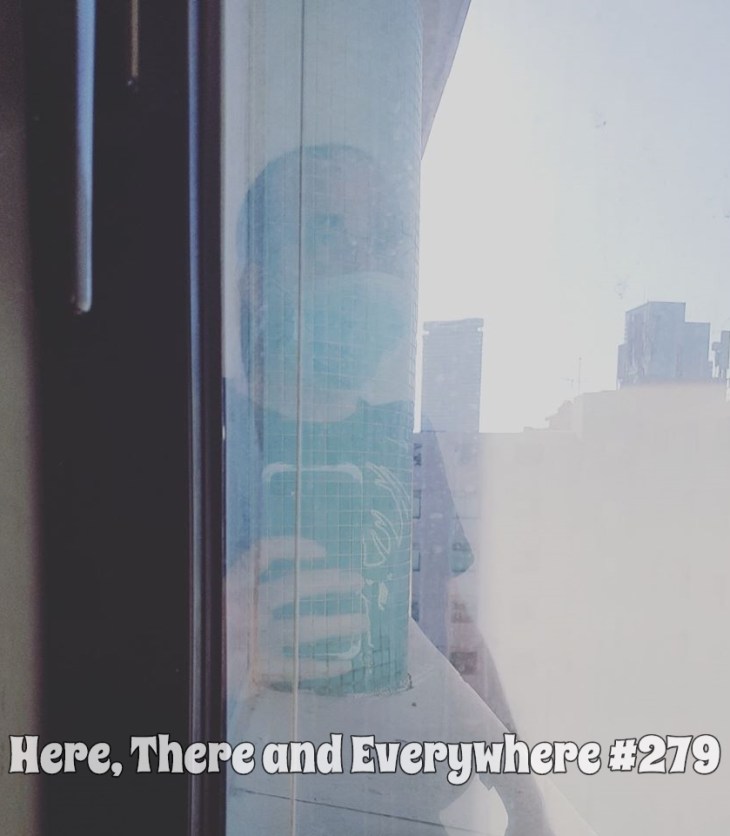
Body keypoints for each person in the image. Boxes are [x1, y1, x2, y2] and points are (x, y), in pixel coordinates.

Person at [225, 144, 556, 836]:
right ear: (256, 285)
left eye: (383, 241)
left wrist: (526, 798)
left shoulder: (403, 445)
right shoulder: (196, 433)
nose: (364, 263)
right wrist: (217, 643)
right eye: (327, 232)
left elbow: (454, 629)